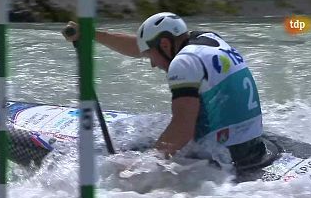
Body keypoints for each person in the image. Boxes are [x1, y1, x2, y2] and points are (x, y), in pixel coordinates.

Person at [62, 12, 266, 171]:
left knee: (130, 172)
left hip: (225, 158)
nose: (152, 63)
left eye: (151, 55)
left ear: (165, 45)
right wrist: (93, 35)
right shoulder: (208, 39)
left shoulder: (183, 63)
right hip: (254, 144)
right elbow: (138, 46)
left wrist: (140, 166)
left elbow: (182, 130)